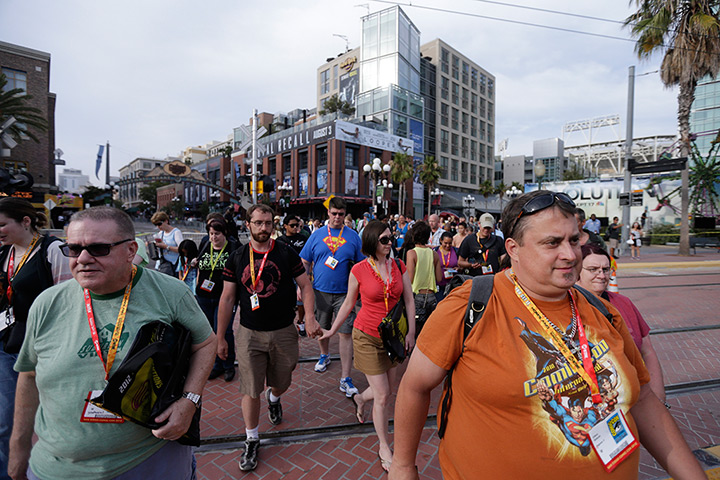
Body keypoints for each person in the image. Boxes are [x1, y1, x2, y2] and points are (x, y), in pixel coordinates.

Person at [389, 190, 705, 480]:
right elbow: (415, 386)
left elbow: (644, 399)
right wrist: (403, 467)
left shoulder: (601, 309)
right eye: (552, 243)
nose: (570, 254)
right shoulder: (471, 305)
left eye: (574, 239)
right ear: (514, 249)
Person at [9, 207, 216, 480]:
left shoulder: (170, 293)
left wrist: (189, 401)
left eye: (98, 249)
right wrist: (18, 449)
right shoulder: (47, 303)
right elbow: (29, 375)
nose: (83, 258)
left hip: (149, 461)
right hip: (57, 468)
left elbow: (205, 343)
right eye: (73, 249)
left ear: (131, 250)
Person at [216, 204, 321, 472]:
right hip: (249, 333)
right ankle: (251, 437)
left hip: (284, 330)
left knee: (283, 379)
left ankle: (274, 398)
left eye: (267, 223)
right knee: (251, 388)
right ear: (247, 225)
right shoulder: (237, 257)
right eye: (258, 223)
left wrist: (309, 316)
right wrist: (220, 337)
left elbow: (306, 286)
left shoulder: (286, 253)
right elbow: (227, 298)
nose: (264, 228)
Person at [319, 220, 415, 473]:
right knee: (383, 395)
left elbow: (409, 299)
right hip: (366, 335)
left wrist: (411, 332)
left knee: (388, 390)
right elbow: (349, 303)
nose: (390, 243)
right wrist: (331, 330)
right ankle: (384, 445)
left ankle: (360, 398)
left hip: (393, 336)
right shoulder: (359, 269)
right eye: (384, 239)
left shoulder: (400, 265)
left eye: (391, 238)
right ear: (372, 242)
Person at [0, 199, 71, 480]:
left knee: (49, 419)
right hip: (7, 345)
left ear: (25, 221)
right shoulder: (4, 253)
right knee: (6, 419)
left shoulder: (51, 250)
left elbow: (67, 303)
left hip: (43, 351)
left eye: (3, 224)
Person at [577, 243, 665, 402]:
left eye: (605, 269)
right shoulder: (567, 309)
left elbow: (647, 351)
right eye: (593, 269)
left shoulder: (623, 303)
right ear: (576, 271)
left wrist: (658, 398)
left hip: (637, 397)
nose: (602, 275)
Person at [300, 197, 365, 397]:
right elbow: (304, 262)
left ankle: (345, 378)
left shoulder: (353, 236)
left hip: (346, 294)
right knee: (322, 327)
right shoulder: (316, 235)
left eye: (341, 214)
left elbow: (361, 265)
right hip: (319, 291)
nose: (337, 217)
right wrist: (302, 287)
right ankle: (324, 355)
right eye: (334, 213)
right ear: (328, 213)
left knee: (346, 333)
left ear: (345, 214)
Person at [195, 219, 237, 382]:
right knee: (210, 332)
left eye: (217, 234)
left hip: (224, 298)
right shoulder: (205, 245)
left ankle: (228, 365)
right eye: (211, 233)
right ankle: (216, 365)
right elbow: (201, 267)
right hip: (204, 297)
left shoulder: (233, 248)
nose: (213, 237)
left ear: (224, 233)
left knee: (224, 331)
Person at [405, 222, 442, 337]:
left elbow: (409, 279)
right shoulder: (434, 254)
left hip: (417, 296)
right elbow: (439, 278)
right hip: (431, 296)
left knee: (415, 331)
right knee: (429, 331)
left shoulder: (411, 253)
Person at [150, 212, 183, 276]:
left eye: (159, 224)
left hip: (173, 266)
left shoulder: (176, 232)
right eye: (156, 225)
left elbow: (181, 249)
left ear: (166, 221)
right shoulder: (160, 233)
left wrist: (166, 246)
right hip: (161, 265)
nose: (158, 227)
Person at [435, 231, 459, 301]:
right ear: (441, 240)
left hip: (452, 285)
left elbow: (460, 263)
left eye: (450, 243)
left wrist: (458, 268)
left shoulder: (455, 251)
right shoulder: (435, 251)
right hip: (439, 285)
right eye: (445, 243)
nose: (448, 246)